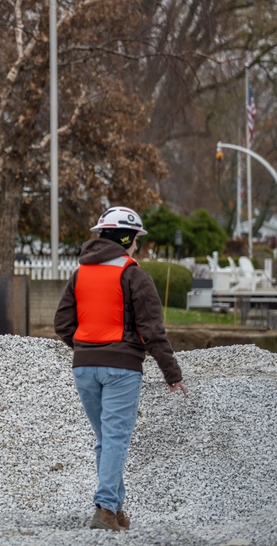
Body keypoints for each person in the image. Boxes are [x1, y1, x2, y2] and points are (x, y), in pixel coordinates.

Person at [54, 206, 187, 532]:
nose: (137, 247)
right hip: (122, 370)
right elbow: (152, 331)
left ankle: (115, 509)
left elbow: (62, 324)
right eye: (136, 240)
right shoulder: (134, 274)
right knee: (114, 439)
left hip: (83, 369)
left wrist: (87, 348)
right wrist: (172, 373)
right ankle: (105, 508)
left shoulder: (80, 273)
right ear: (126, 238)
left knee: (106, 440)